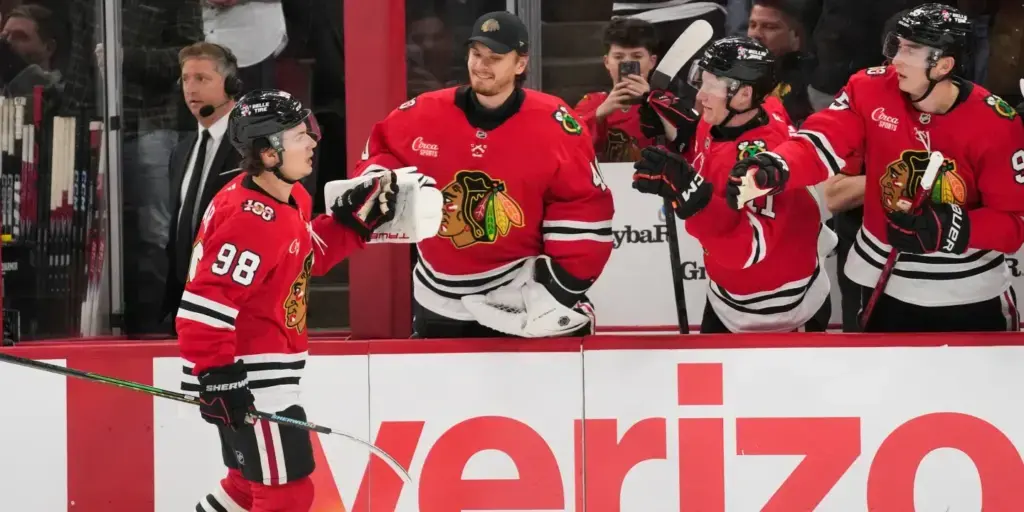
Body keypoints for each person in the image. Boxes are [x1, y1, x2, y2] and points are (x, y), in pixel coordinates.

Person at [726, 3, 1024, 332]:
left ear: (944, 65)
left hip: (969, 291)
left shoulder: (997, 123)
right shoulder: (868, 88)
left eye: (910, 50)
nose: (895, 59)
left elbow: (1014, 225)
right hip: (882, 281)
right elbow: (823, 139)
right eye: (896, 45)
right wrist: (778, 165)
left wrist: (952, 227)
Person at [177, 89, 400, 511]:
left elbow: (299, 257)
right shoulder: (249, 219)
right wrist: (219, 377)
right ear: (268, 153)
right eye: (300, 135)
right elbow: (203, 309)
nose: (313, 141)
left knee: (246, 488)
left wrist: (350, 225)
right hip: (248, 376)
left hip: (249, 372)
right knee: (287, 494)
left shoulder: (288, 197)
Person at [355, 11, 615, 338]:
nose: (481, 65)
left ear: (520, 64)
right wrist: (383, 187)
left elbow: (583, 205)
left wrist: (557, 291)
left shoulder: (554, 124)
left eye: (494, 58)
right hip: (437, 297)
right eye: (476, 54)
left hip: (520, 296)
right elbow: (379, 155)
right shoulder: (421, 113)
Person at [633, 36, 831, 333]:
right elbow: (708, 146)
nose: (701, 96)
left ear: (743, 95)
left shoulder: (763, 164)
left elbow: (745, 250)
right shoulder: (750, 110)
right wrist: (678, 131)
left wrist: (688, 191)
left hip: (780, 309)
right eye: (702, 81)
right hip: (727, 297)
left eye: (712, 86)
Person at [163, 42, 244, 332]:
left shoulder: (250, 146)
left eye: (202, 79)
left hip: (233, 302)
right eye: (185, 79)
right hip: (185, 304)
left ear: (231, 85)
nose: (191, 89)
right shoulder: (181, 151)